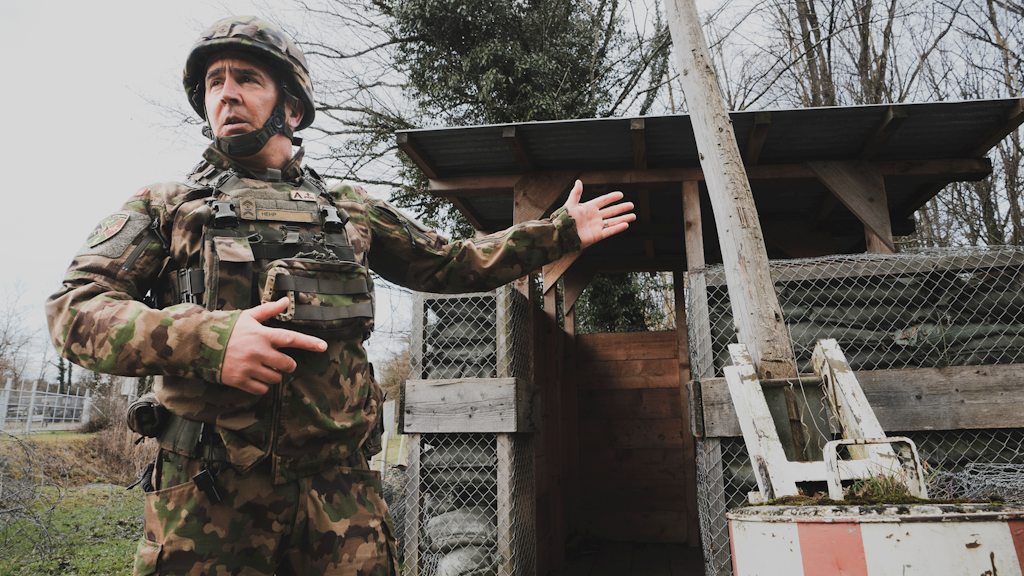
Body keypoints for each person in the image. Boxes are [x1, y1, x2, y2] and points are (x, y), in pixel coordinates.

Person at [46, 15, 634, 576]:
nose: (225, 94)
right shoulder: (169, 205)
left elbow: (449, 263)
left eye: (247, 78)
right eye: (213, 82)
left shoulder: (348, 207)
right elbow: (74, 308)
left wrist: (556, 233)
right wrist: (208, 340)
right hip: (211, 490)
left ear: (293, 107)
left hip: (340, 488)